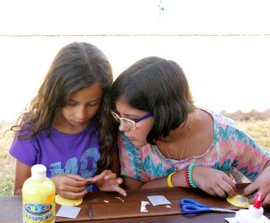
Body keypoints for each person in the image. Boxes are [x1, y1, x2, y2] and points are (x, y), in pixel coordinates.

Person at [109, 56, 270, 205]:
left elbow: (266, 165)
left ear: (164, 112)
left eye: (131, 118)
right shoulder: (133, 137)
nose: (122, 127)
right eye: (119, 117)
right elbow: (134, 193)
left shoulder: (225, 135)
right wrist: (187, 176)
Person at [9, 42, 126, 200]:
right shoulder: (32, 130)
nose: (81, 115)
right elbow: (18, 192)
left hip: (93, 219)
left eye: (92, 104)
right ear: (55, 94)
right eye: (71, 103)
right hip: (47, 220)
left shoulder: (106, 125)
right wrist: (50, 186)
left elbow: (114, 178)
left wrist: (107, 182)